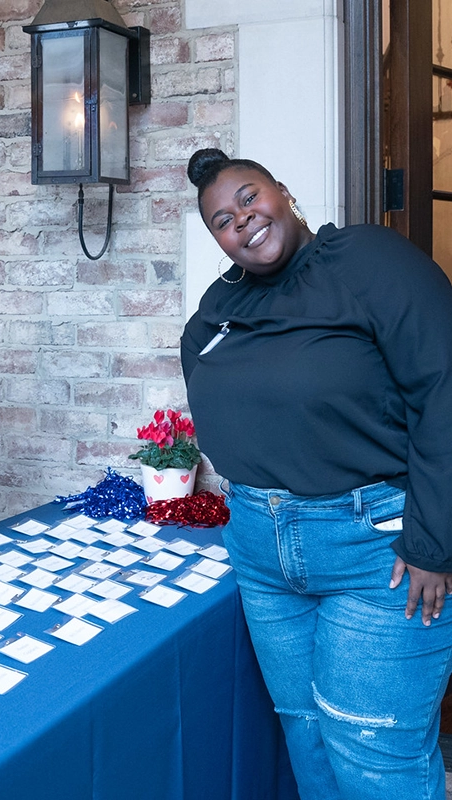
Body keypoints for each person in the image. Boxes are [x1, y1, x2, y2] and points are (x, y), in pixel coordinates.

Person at [181, 148, 452, 800]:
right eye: (222, 219)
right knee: (305, 734)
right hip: (259, 547)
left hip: (376, 550)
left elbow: (442, 393)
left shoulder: (367, 262)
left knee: (372, 749)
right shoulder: (221, 304)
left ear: (283, 190)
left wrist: (432, 543)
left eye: (248, 198)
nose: (241, 220)